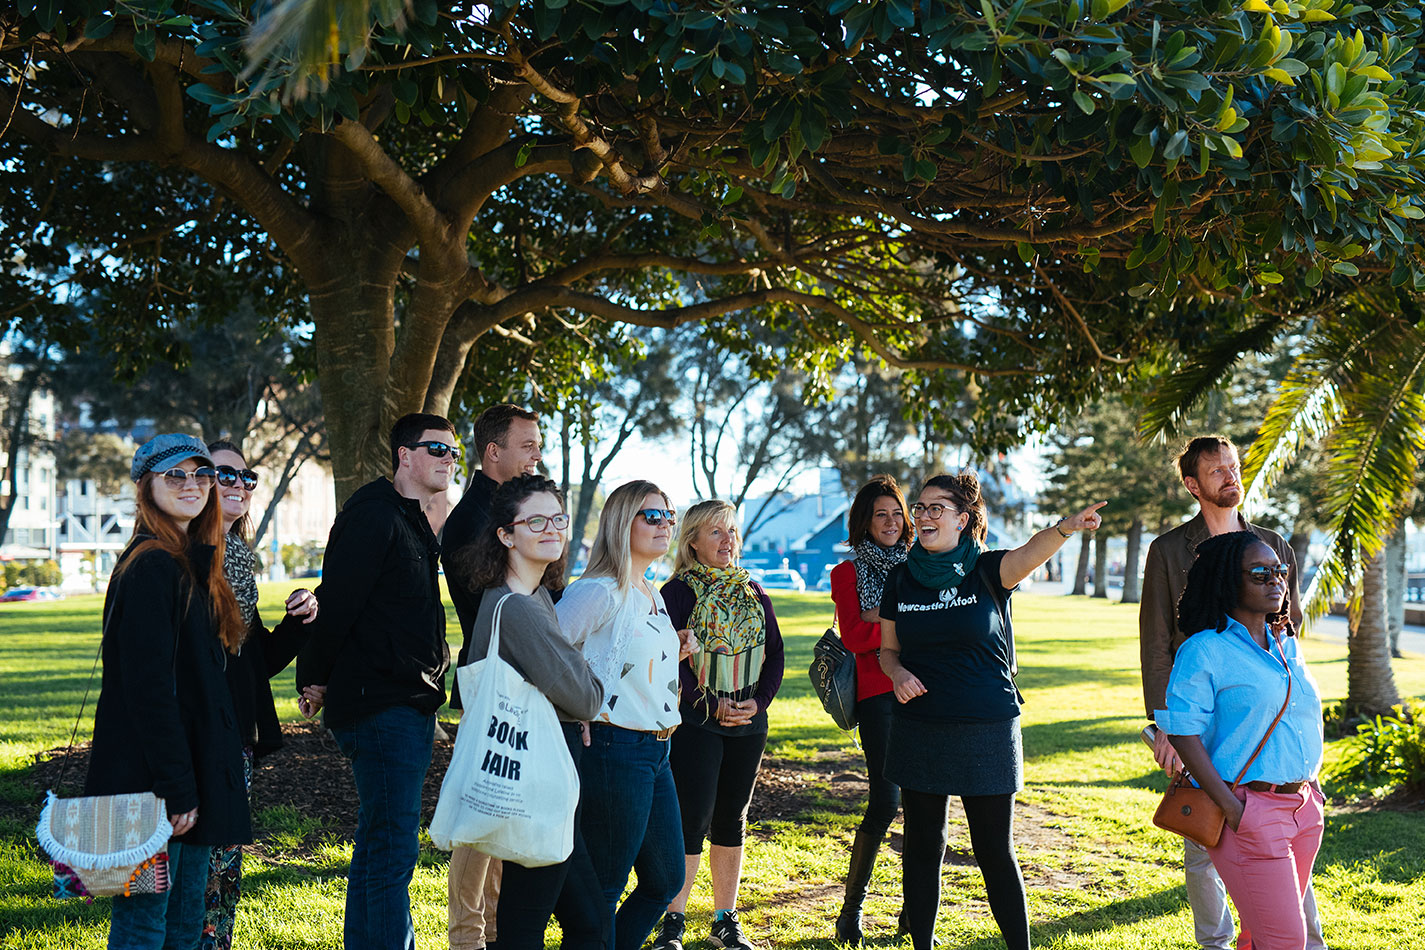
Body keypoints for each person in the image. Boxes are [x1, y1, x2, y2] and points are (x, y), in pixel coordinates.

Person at [877, 472, 1104, 950]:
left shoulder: (988, 569)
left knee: (994, 850)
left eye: (936, 508)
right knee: (922, 846)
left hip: (986, 726)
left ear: (962, 520)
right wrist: (896, 674)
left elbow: (1031, 552)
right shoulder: (901, 578)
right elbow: (888, 651)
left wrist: (1066, 527)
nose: (923, 516)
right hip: (919, 726)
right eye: (920, 508)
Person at [1139, 435, 1326, 950]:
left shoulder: (1272, 543)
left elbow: (1288, 626)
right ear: (1192, 484)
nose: (1230, 476)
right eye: (1216, 470)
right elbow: (1157, 640)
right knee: (1206, 831)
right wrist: (1167, 724)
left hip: (1255, 699)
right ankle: (1216, 942)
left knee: (1279, 851)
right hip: (1199, 703)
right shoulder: (1169, 550)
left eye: (1234, 466)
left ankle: (1297, 936)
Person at [296, 413, 456, 950]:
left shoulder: (410, 517)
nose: (448, 460)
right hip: (381, 705)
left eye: (453, 452)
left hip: (405, 703)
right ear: (404, 456)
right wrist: (314, 678)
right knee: (391, 849)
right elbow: (336, 603)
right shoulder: (374, 515)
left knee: (380, 846)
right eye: (437, 449)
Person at [85, 434, 249, 950]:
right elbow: (149, 691)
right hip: (153, 787)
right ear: (146, 486)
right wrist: (176, 789)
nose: (191, 484)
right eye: (174, 474)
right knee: (144, 922)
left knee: (184, 920)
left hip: (191, 779)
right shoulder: (151, 566)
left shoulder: (189, 562)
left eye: (201, 474)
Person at [456, 473, 607, 950]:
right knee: (533, 929)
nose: (552, 530)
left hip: (543, 781)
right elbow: (587, 697)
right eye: (535, 521)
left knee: (583, 923)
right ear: (506, 535)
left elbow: (572, 689)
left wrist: (575, 687)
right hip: (536, 785)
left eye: (558, 519)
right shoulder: (517, 607)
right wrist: (582, 688)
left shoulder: (533, 596)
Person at [555, 481, 698, 950]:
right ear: (621, 523)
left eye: (669, 516)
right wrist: (573, 708)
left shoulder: (650, 591)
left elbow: (623, 661)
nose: (665, 525)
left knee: (666, 879)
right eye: (651, 516)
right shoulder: (598, 591)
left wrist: (673, 649)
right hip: (614, 749)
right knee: (605, 887)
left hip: (658, 751)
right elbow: (546, 654)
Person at [198, 441, 321, 950]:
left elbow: (255, 661)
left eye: (246, 478)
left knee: (224, 865)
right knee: (197, 867)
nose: (240, 485)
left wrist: (300, 620)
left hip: (235, 735)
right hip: (199, 734)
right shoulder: (185, 555)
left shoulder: (238, 558)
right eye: (225, 475)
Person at [652, 501, 785, 950]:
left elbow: (775, 654)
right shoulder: (677, 593)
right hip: (697, 722)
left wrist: (757, 703)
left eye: (731, 531)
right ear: (692, 541)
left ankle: (725, 921)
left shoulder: (753, 591)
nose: (727, 540)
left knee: (732, 819)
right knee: (693, 819)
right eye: (715, 532)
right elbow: (670, 660)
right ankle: (673, 921)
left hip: (748, 722)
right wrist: (709, 704)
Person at [442, 404, 543, 950]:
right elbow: (493, 597)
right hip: (491, 679)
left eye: (538, 446)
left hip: (523, 678)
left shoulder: (512, 507)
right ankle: (467, 938)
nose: (536, 456)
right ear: (493, 452)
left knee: (502, 810)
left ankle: (497, 932)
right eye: (527, 446)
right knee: (481, 813)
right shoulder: (470, 520)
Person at [827, 475, 912, 944]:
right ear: (864, 521)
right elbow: (857, 637)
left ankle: (914, 913)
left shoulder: (921, 564)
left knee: (924, 807)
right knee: (885, 801)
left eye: (897, 513)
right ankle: (851, 910)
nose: (891, 522)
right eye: (881, 514)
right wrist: (906, 618)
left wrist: (883, 616)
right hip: (878, 697)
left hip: (926, 695)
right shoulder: (847, 572)